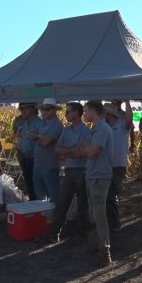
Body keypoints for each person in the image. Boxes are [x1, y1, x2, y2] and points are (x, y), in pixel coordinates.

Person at [50, 102, 91, 243]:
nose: (65, 114)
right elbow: (56, 150)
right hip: (69, 170)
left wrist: (65, 152)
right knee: (63, 202)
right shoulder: (66, 130)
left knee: (83, 203)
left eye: (68, 112)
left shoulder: (86, 131)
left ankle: (82, 232)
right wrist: (71, 151)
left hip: (81, 171)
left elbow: (80, 154)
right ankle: (55, 232)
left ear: (76, 113)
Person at [81, 100, 114, 267]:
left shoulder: (102, 129)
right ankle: (96, 242)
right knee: (93, 213)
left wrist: (87, 149)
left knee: (99, 214)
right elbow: (85, 148)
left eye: (86, 110)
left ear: (94, 111)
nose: (84, 114)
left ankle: (105, 250)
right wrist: (87, 149)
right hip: (92, 174)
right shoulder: (95, 129)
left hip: (100, 176)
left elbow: (92, 152)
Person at [104, 100, 133, 232]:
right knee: (107, 196)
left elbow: (129, 119)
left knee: (111, 195)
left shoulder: (122, 125)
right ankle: (110, 223)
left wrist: (127, 102)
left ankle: (115, 224)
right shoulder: (104, 127)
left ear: (109, 114)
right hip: (106, 165)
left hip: (118, 166)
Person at [30, 98, 63, 202]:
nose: (44, 111)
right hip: (38, 165)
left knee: (54, 197)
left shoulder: (57, 125)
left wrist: (37, 137)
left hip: (50, 167)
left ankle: (55, 217)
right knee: (40, 197)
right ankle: (43, 217)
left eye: (47, 109)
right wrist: (40, 137)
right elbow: (31, 135)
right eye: (43, 109)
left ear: (54, 110)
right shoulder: (42, 123)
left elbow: (45, 142)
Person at [19, 103, 43, 200]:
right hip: (25, 158)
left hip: (34, 159)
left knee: (36, 186)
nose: (23, 110)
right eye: (22, 108)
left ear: (33, 109)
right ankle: (32, 205)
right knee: (29, 185)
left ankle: (37, 207)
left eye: (25, 108)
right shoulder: (26, 123)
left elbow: (42, 141)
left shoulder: (39, 123)